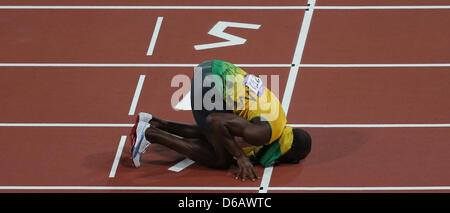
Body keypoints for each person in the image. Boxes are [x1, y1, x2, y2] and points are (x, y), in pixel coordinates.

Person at [130, 60, 311, 181]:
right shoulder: (263, 134)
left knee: (221, 136)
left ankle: (154, 122)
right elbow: (215, 121)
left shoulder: (279, 122)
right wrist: (240, 157)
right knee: (221, 159)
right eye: (294, 159)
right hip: (209, 82)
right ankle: (149, 134)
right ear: (290, 151)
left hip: (215, 69)